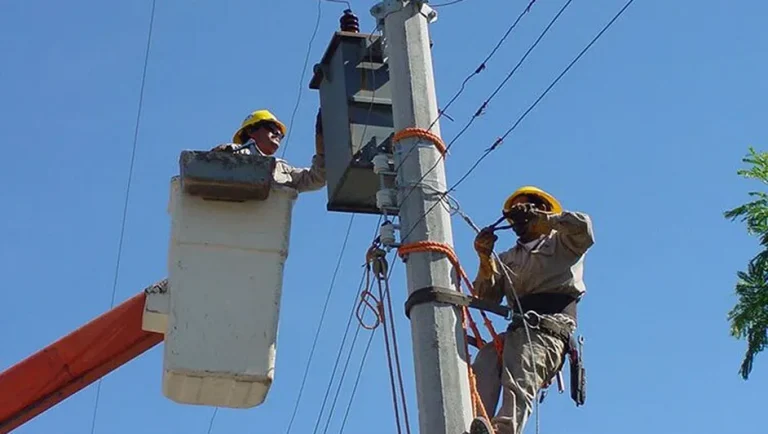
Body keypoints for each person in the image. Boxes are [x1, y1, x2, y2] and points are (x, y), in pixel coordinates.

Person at [467, 186, 595, 434]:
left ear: (542, 210)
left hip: (547, 331)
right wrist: (485, 258)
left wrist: (548, 221)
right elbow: (488, 296)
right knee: (485, 361)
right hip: (517, 329)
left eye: (526, 210)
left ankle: (504, 431)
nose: (519, 219)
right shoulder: (507, 259)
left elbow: (585, 230)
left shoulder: (563, 242)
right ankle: (476, 423)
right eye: (514, 214)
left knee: (520, 375)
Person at [212, 108, 326, 193]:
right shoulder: (233, 154)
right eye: (271, 128)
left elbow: (317, 178)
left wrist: (322, 142)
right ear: (251, 131)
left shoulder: (282, 169)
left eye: (281, 135)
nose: (277, 134)